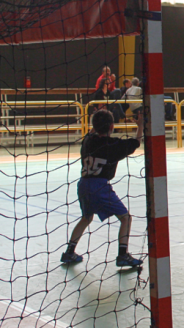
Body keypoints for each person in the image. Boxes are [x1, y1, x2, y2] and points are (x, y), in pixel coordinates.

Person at [60, 109, 143, 267]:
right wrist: (140, 126)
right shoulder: (113, 145)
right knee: (126, 218)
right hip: (99, 186)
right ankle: (123, 254)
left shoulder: (87, 141)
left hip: (83, 184)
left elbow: (93, 132)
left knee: (86, 217)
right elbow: (136, 143)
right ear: (112, 126)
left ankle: (69, 252)